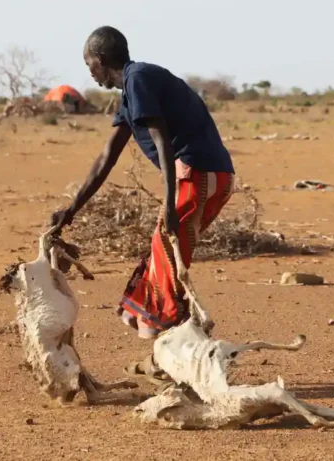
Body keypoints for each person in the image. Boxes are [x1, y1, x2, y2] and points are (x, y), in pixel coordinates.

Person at [49, 25, 236, 379]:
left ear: (101, 59)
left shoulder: (138, 79)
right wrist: (71, 210)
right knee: (162, 262)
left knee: (165, 259)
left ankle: (178, 357)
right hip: (210, 178)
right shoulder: (132, 91)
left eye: (88, 63)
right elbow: (108, 157)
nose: (88, 71)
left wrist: (167, 204)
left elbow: (162, 141)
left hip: (199, 176)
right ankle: (168, 357)